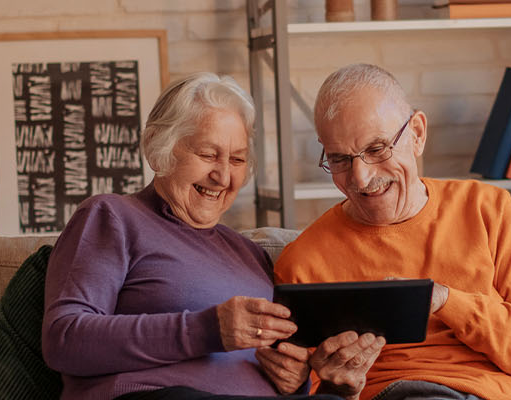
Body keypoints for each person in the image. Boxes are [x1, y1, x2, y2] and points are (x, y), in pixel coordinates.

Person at [261, 64, 511, 400]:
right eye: (339, 159)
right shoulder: (303, 261)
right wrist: (340, 387)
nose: (361, 179)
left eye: (377, 149)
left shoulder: (486, 208)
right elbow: (310, 388)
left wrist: (444, 300)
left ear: (417, 134)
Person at [41, 72, 348, 400]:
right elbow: (65, 340)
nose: (222, 175)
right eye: (208, 155)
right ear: (161, 148)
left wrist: (295, 380)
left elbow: (274, 366)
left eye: (237, 159)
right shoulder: (113, 217)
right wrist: (208, 329)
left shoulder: (251, 254)